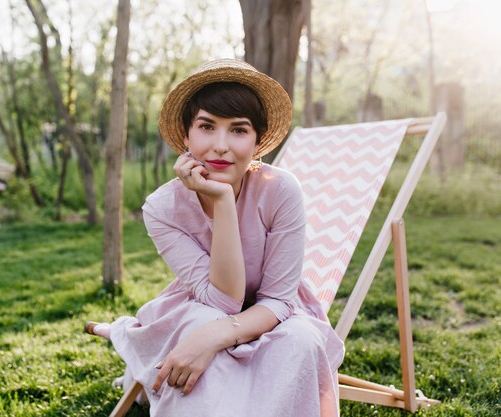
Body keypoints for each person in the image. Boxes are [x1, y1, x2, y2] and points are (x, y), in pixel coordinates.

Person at [86, 59, 345, 417]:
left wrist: (215, 337)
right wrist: (224, 203)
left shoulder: (281, 190)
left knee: (300, 340)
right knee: (200, 323)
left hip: (275, 310)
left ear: (257, 142)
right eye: (207, 126)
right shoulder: (162, 209)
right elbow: (222, 302)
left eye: (238, 130)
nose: (221, 146)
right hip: (203, 304)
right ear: (187, 135)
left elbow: (277, 301)